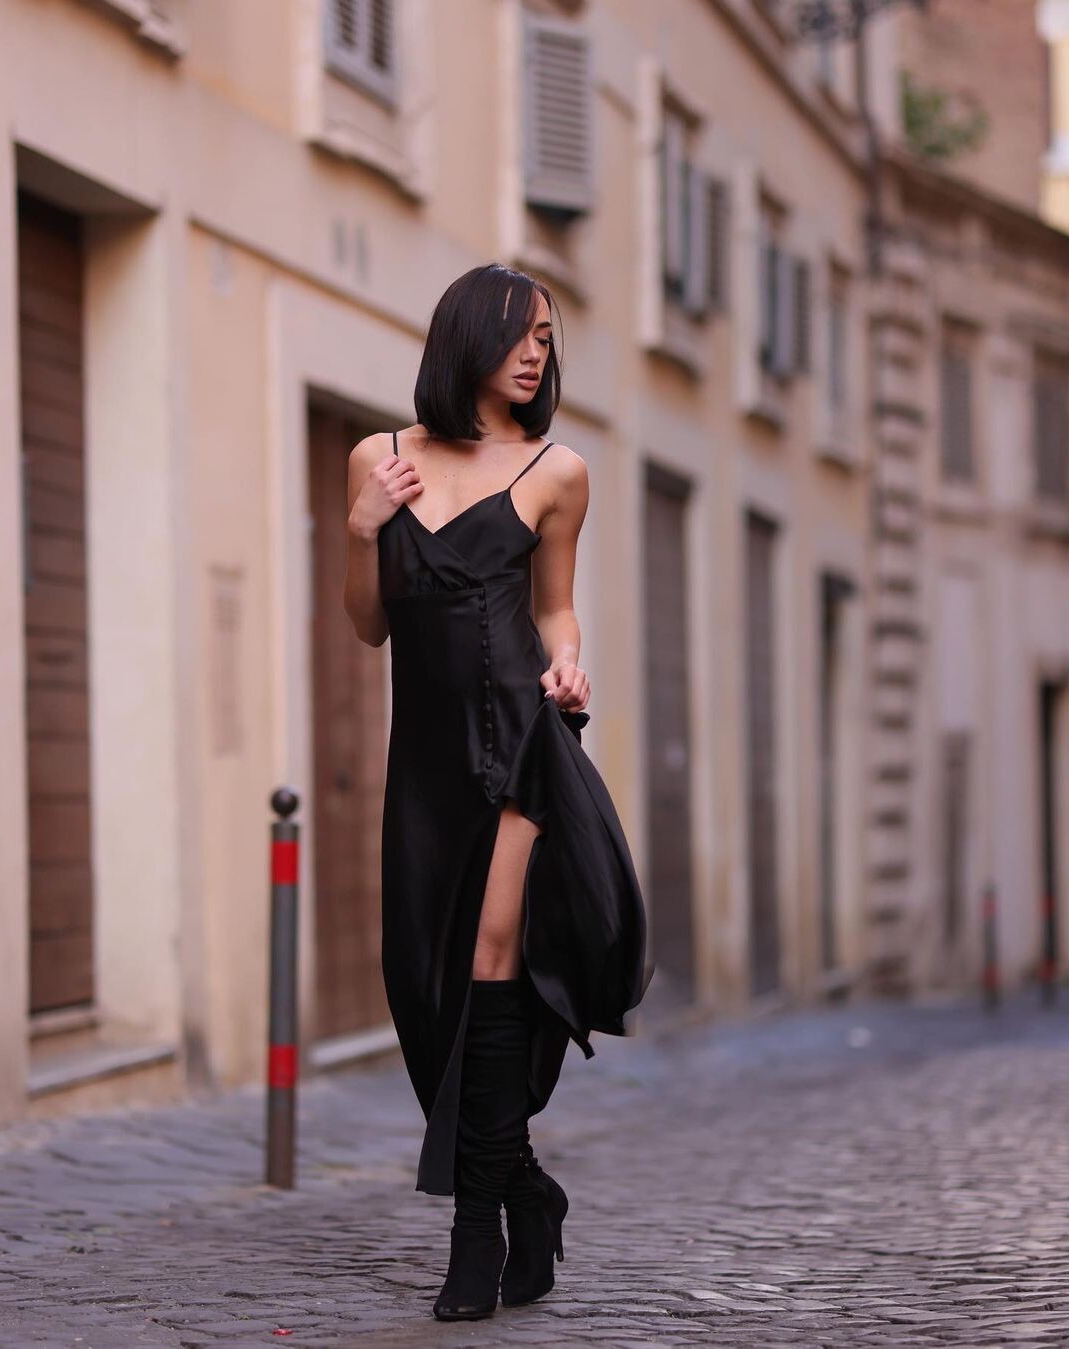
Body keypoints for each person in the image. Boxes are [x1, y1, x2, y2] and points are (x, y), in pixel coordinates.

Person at [343, 262, 652, 1321]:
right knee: (422, 988)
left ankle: (473, 1240)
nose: (536, 353)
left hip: (522, 743)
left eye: (547, 338)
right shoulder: (380, 459)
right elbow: (368, 624)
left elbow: (554, 608)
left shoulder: (559, 471)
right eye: (521, 332)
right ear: (467, 335)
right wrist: (361, 526)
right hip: (426, 764)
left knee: (490, 963)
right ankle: (526, 1186)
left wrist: (571, 662)